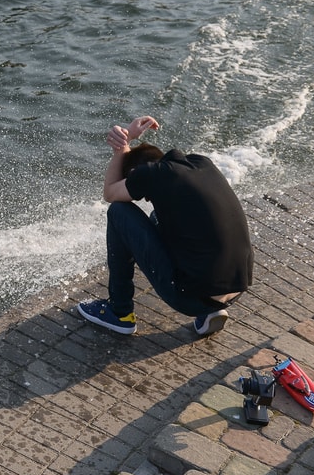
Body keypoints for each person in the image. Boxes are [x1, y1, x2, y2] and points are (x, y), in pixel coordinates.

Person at [77, 116, 253, 337]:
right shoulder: (201, 163)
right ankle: (210, 312)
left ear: (134, 174)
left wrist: (121, 147)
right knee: (158, 217)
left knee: (119, 212)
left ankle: (119, 312)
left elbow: (111, 193)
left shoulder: (151, 174)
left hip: (192, 299)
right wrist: (128, 143)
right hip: (236, 289)